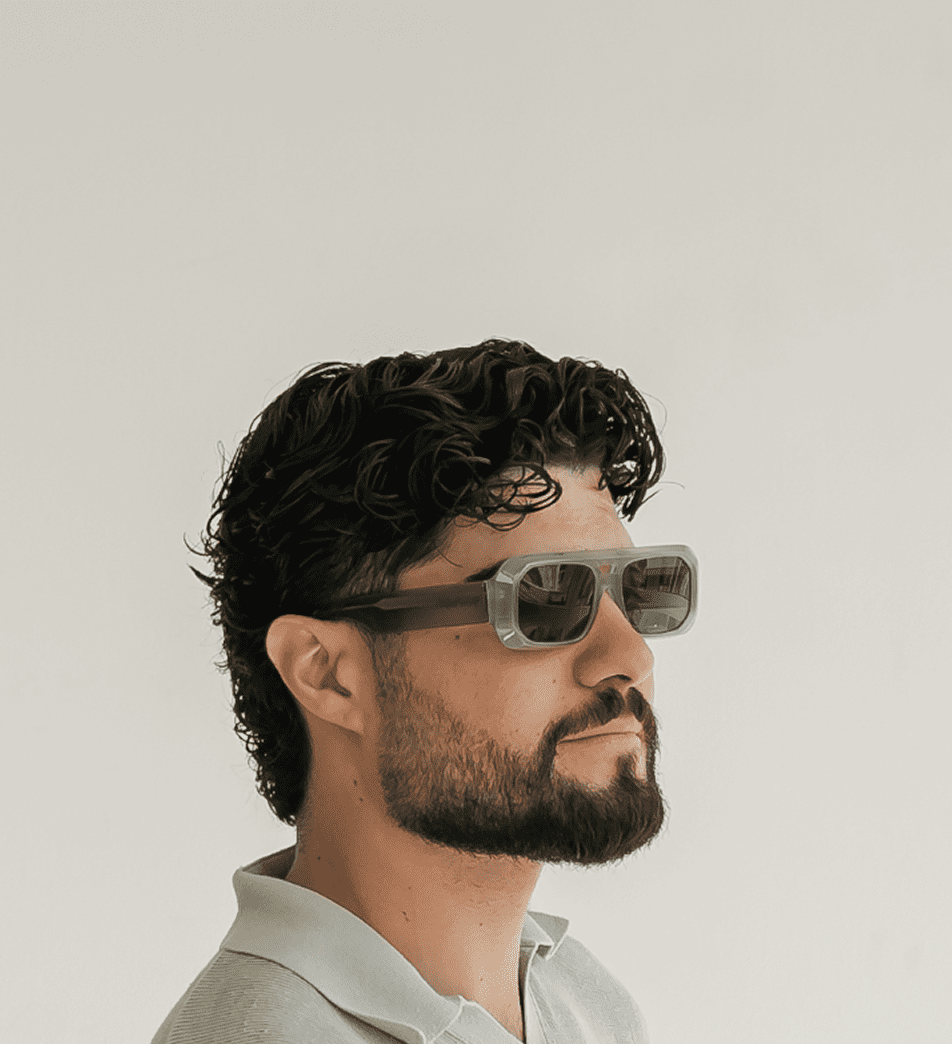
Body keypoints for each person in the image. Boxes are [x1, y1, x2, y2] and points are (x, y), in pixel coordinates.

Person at [152, 338, 698, 1043]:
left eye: (639, 590)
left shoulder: (588, 1006)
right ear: (327, 672)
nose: (629, 656)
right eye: (544, 598)